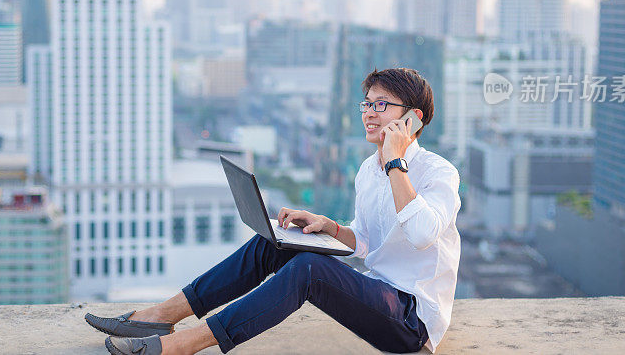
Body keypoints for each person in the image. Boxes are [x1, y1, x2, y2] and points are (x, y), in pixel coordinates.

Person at [86, 67, 462, 355]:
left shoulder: (438, 173)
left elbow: (421, 234)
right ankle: (162, 316)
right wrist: (327, 225)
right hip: (378, 295)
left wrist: (397, 160)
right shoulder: (369, 170)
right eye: (367, 103)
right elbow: (364, 242)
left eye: (382, 105)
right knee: (275, 244)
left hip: (412, 320)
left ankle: (185, 344)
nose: (369, 112)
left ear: (413, 118)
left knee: (308, 269)